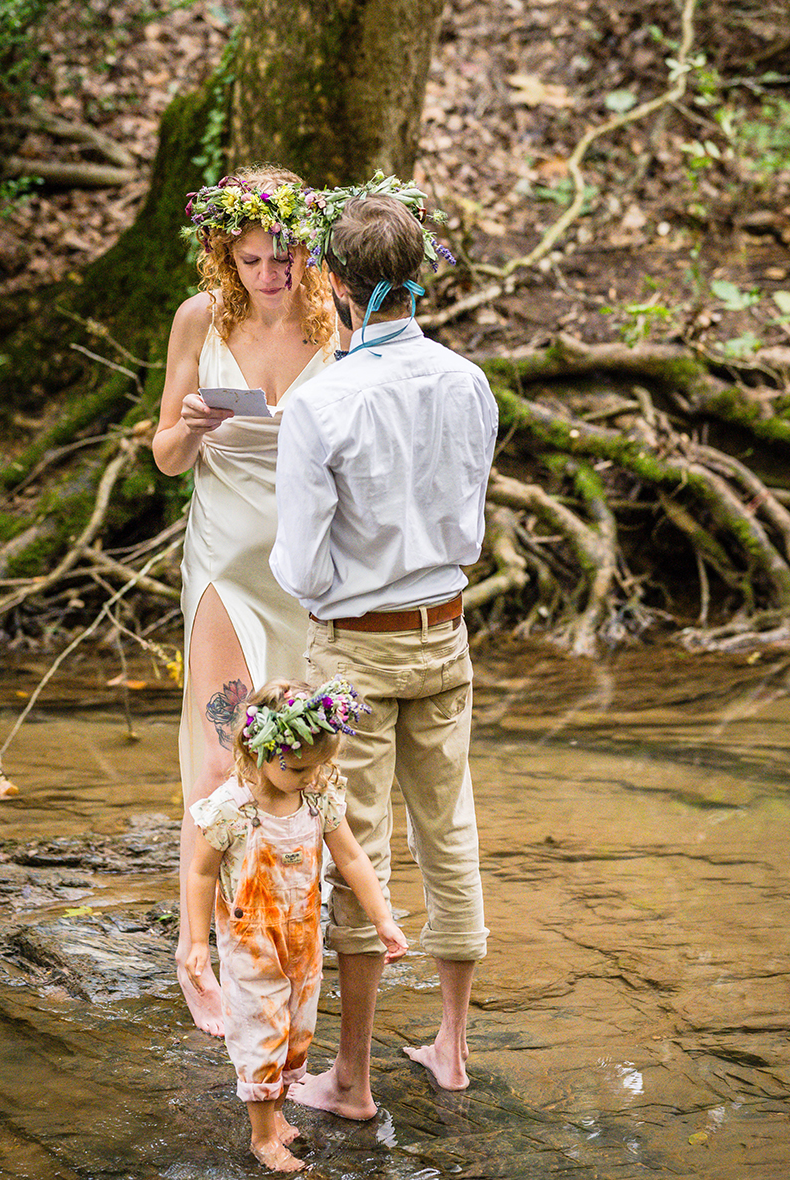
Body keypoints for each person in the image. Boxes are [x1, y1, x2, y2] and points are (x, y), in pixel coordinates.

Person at [270, 185, 498, 1118]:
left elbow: (298, 564)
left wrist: (333, 602)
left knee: (357, 851)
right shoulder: (469, 380)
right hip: (445, 635)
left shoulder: (322, 403)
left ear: (335, 285)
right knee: (451, 832)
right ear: (417, 281)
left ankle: (352, 1081)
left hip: (356, 654)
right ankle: (450, 1045)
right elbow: (468, 513)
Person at [152, 165, 337, 1033]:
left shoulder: (336, 313)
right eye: (256, 259)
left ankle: (283, 924)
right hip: (226, 555)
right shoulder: (200, 319)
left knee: (298, 756)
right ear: (227, 254)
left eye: (287, 256)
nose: (274, 274)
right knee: (223, 759)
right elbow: (163, 457)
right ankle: (201, 949)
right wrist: (190, 427)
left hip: (309, 565)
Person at [185, 676, 407, 1173]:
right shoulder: (232, 808)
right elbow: (200, 873)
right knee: (261, 1033)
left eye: (321, 765)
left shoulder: (318, 797)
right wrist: (197, 941)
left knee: (296, 1032)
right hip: (251, 943)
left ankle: (277, 1112)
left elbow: (351, 858)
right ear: (259, 750)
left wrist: (383, 920)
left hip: (302, 938)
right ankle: (262, 1136)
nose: (312, 776)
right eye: (301, 767)